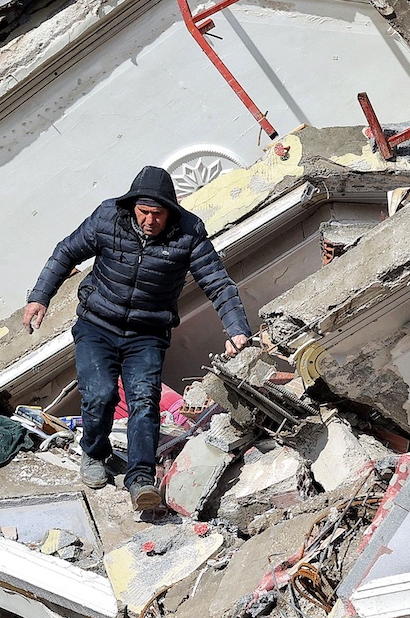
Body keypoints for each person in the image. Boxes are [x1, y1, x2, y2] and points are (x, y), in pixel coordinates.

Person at [23, 166, 251, 510]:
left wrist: (237, 330)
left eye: (157, 214)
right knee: (98, 394)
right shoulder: (107, 217)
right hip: (97, 324)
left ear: (170, 212)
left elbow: (218, 283)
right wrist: (40, 296)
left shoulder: (189, 233)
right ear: (132, 207)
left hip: (147, 333)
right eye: (143, 212)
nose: (149, 220)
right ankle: (96, 454)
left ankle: (141, 479)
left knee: (144, 402)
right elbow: (66, 251)